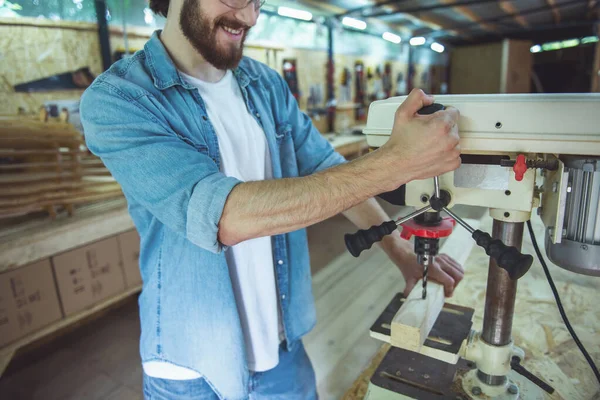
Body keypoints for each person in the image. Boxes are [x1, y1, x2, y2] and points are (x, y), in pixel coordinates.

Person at [79, 0, 463, 399]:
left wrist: (404, 256)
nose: (249, 17)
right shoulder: (120, 99)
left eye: (259, 1)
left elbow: (323, 165)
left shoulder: (264, 84)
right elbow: (223, 215)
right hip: (192, 366)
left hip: (281, 348)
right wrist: (394, 163)